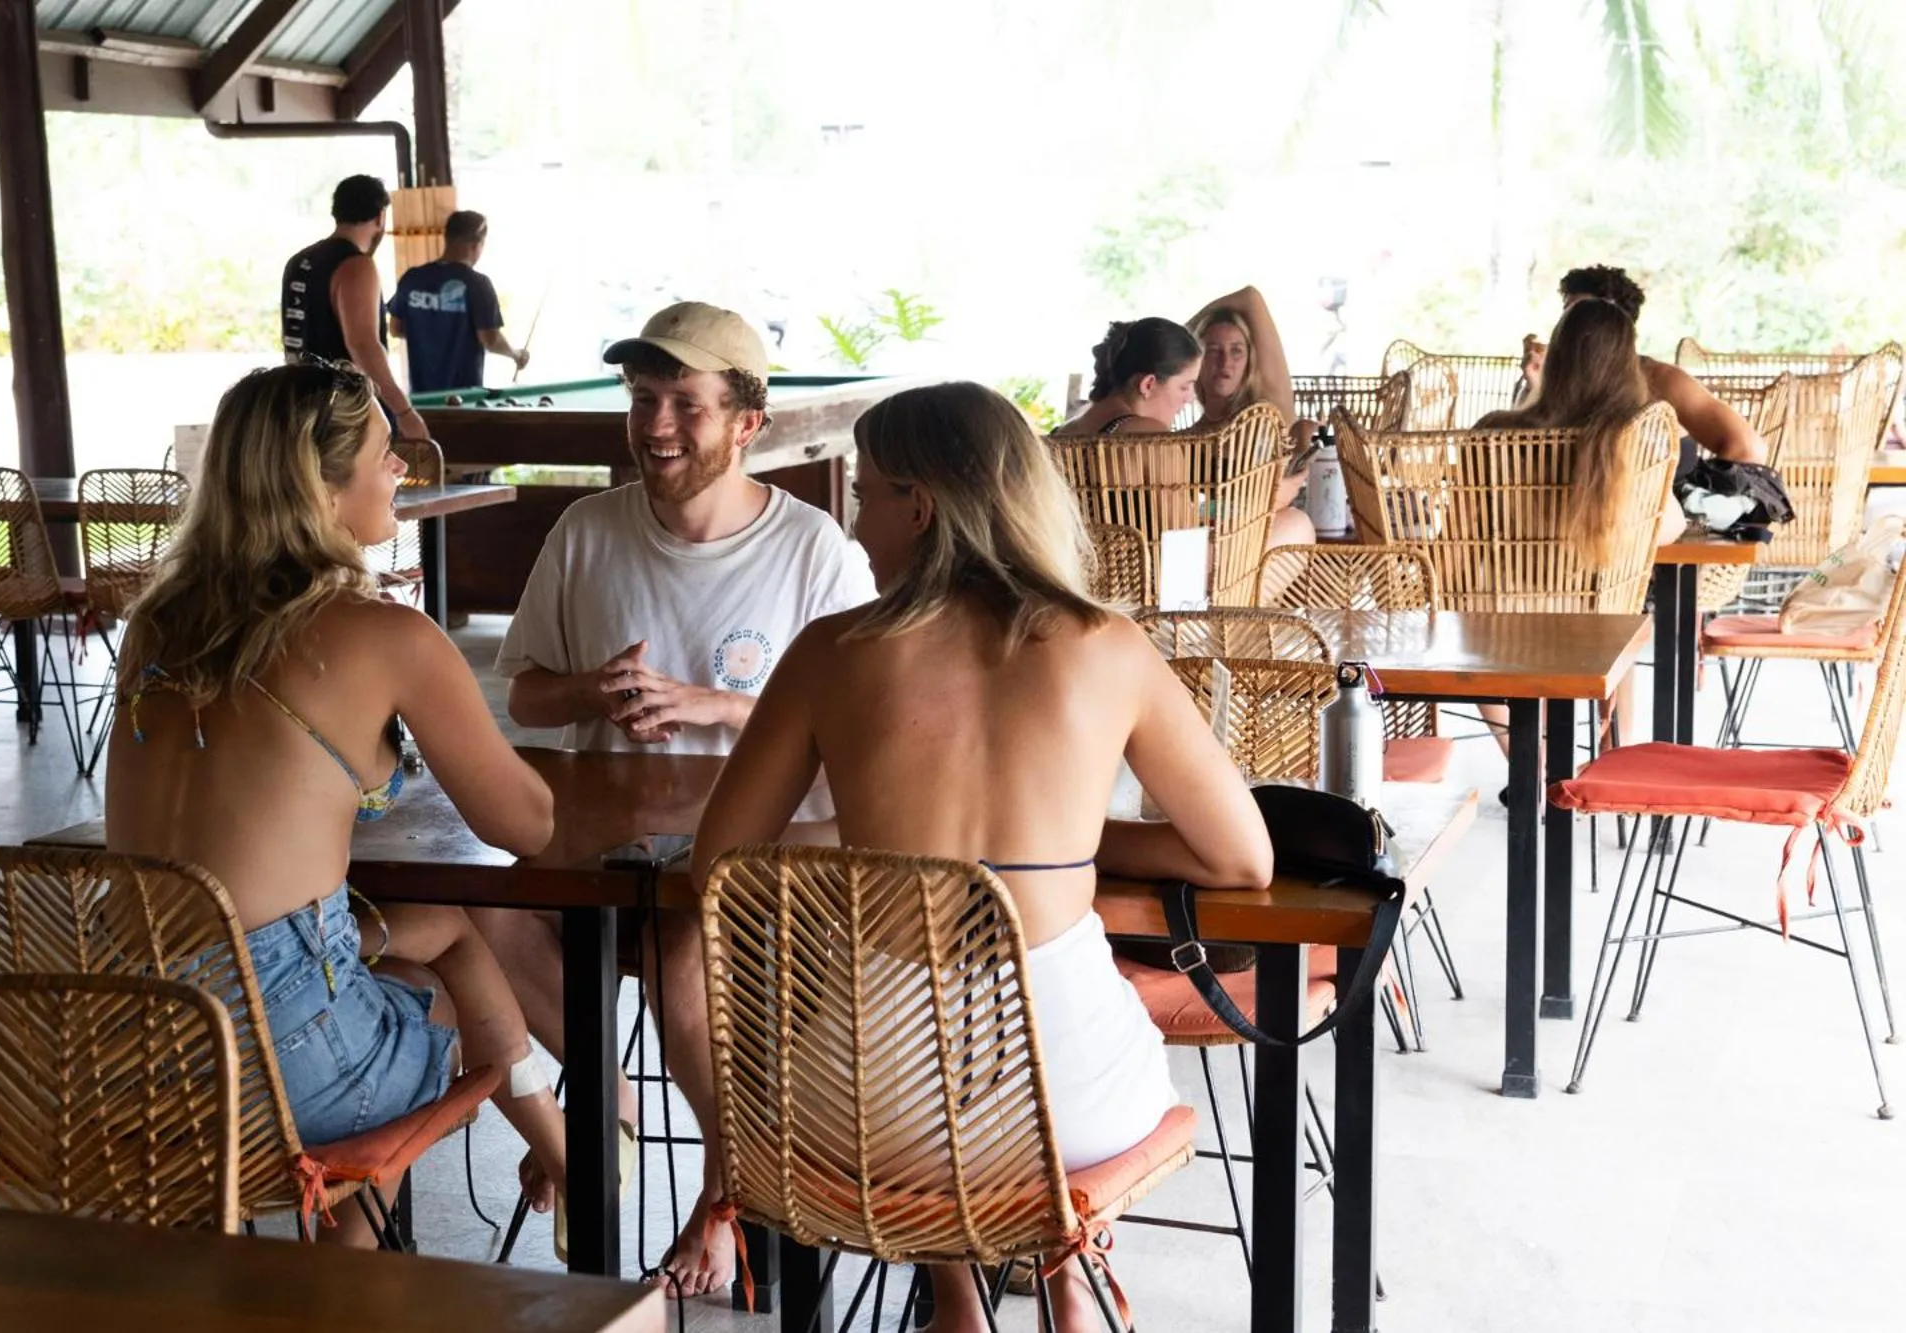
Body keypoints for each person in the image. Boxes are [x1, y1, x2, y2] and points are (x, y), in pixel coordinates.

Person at [673, 381, 1272, 1329]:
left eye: (865, 494)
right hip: (1069, 1111)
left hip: (861, 1111)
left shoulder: (830, 653)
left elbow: (719, 866)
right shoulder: (1106, 646)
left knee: (924, 1086)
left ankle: (956, 1293)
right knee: (1080, 1048)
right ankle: (1065, 1264)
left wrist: (876, 846)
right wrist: (1066, 847)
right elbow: (1244, 860)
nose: (854, 524)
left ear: (920, 504)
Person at [105, 362, 561, 1244]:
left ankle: (536, 1164)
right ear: (320, 485)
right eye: (386, 452)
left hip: (131, 1041)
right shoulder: (385, 636)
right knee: (437, 983)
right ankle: (562, 1159)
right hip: (283, 1064)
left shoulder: (156, 623)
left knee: (434, 930)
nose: (402, 469)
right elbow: (525, 823)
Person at [474, 300, 875, 1282]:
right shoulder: (586, 529)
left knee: (679, 947)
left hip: (753, 858)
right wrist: (591, 690)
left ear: (746, 423)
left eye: (685, 403)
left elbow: (863, 721)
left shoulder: (813, 547)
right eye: (642, 397)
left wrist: (716, 706)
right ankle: (602, 1090)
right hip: (604, 842)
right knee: (481, 910)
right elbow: (523, 690)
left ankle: (723, 1190)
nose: (655, 424)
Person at [1476, 296, 1686, 760]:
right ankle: (1606, 760)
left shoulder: (1495, 432)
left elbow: (1467, 527)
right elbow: (1669, 526)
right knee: (1625, 619)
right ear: (1627, 365)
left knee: (1475, 640)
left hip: (1501, 629)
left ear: (1558, 359)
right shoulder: (1633, 439)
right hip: (1597, 632)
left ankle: (1529, 763)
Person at [1521, 264, 1767, 466]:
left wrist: (1695, 502)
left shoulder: (1660, 380)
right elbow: (1519, 457)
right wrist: (1536, 389)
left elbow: (1747, 448)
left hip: (1665, 507)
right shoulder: (1553, 380)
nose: (1569, 326)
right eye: (1567, 316)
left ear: (1618, 326)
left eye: (1580, 315)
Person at [281, 175, 428, 442]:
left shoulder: (298, 261)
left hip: (298, 403)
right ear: (381, 216)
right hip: (343, 414)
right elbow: (363, 345)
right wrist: (403, 412)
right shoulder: (356, 265)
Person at [1187, 286, 1317, 553]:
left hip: (1275, 547)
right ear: (1196, 361)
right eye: (1213, 350)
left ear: (1249, 360)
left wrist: (1182, 331)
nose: (1225, 362)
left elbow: (1250, 297)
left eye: (1236, 351)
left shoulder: (1268, 415)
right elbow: (1180, 511)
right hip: (1215, 556)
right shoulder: (1183, 442)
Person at [387, 209, 531, 394]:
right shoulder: (478, 284)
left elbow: (395, 329)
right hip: (464, 398)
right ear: (477, 245)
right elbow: (491, 340)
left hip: (422, 397)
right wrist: (516, 354)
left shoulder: (412, 278)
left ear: (447, 238)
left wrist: (430, 332)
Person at [1056, 317, 1202, 437]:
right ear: (1148, 385)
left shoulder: (1063, 431)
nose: (1189, 399)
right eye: (1184, 387)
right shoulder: (1149, 438)